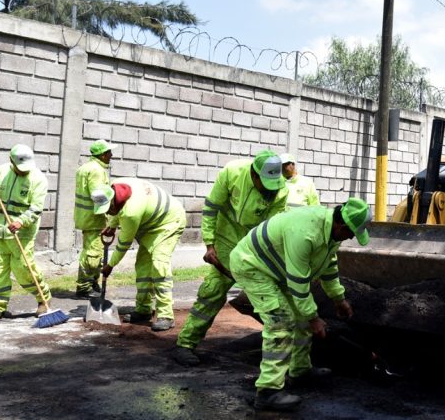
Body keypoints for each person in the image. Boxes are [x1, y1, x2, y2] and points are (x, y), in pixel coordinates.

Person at [232, 198, 368, 411]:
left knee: (302, 319)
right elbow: (298, 282)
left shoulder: (331, 233)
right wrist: (314, 318)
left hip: (277, 270)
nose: (351, 238)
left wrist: (339, 299)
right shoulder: (305, 233)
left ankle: (300, 371)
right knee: (281, 322)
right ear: (341, 225)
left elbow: (329, 266)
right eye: (351, 233)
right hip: (252, 266)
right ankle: (268, 391)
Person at [174, 150, 289, 363]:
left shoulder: (280, 189)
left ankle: (287, 352)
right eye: (264, 183)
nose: (269, 189)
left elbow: (272, 229)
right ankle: (185, 344)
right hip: (226, 237)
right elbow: (211, 208)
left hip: (254, 242)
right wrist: (209, 244)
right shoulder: (232, 173)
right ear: (254, 174)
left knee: (269, 295)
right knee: (214, 290)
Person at [93, 178, 187, 332]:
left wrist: (110, 265)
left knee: (159, 265)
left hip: (169, 221)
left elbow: (124, 244)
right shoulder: (115, 188)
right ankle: (143, 310)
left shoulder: (131, 213)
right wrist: (112, 225)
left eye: (108, 210)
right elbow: (117, 208)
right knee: (142, 267)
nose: (107, 213)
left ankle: (166, 315)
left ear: (112, 202)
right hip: (151, 224)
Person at [0, 144, 52, 321]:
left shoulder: (39, 179)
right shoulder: (0, 172)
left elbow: (36, 209)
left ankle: (43, 299)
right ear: (11, 160)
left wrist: (21, 222)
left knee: (23, 269)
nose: (22, 171)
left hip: (21, 234)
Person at [73, 139, 113, 297]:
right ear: (102, 155)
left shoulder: (85, 168)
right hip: (94, 217)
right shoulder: (96, 170)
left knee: (94, 251)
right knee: (92, 254)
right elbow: (98, 196)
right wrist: (110, 214)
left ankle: (92, 282)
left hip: (86, 216)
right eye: (109, 152)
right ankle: (84, 287)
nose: (111, 155)